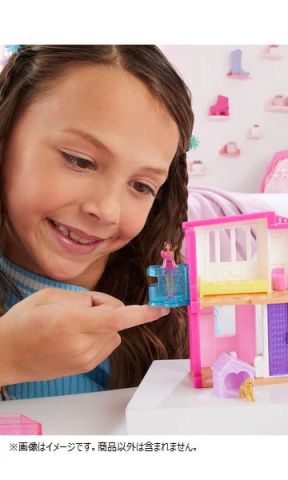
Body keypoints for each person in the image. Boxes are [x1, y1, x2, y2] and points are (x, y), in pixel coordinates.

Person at [0, 45, 194, 400]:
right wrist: (7, 356)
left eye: (141, 186)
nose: (107, 210)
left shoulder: (174, 312)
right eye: (80, 161)